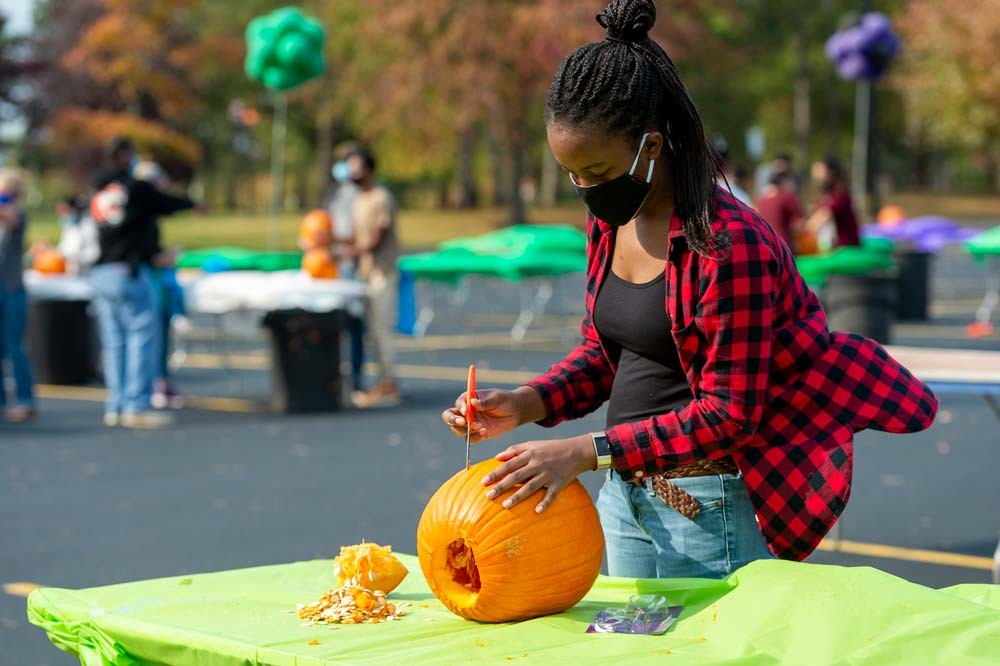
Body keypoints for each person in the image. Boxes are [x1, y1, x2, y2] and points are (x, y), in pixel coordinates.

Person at [441, 0, 937, 579]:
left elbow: (730, 414)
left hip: (708, 508)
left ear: (650, 147)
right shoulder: (608, 222)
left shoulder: (730, 245)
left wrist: (584, 451)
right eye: (571, 174)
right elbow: (607, 356)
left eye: (597, 172)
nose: (584, 189)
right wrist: (526, 403)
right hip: (623, 498)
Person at [89, 137, 196, 429]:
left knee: (114, 343)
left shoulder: (99, 190)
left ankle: (117, 403)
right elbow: (166, 202)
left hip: (102, 271)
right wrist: (193, 204)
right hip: (129, 270)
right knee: (142, 336)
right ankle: (136, 403)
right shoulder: (136, 188)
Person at [345, 146, 401, 408]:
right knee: (370, 333)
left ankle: (389, 383)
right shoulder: (358, 200)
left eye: (356, 166)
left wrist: (346, 251)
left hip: (382, 273)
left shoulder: (381, 198)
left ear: (368, 168)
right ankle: (382, 381)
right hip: (364, 274)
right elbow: (356, 237)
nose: (351, 172)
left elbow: (374, 240)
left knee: (381, 331)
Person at [132, 160, 187, 409]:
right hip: (146, 281)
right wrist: (165, 257)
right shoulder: (141, 215)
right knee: (148, 336)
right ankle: (151, 384)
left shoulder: (146, 215)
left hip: (150, 280)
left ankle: (157, 381)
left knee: (155, 334)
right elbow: (145, 252)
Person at [322, 142, 365, 392]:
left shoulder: (364, 195)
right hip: (333, 266)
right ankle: (334, 374)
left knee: (355, 324)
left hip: (354, 266)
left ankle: (356, 375)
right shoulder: (334, 193)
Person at [0, 169, 36, 422]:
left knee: (15, 346)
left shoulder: (16, 213)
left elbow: (10, 216)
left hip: (12, 288)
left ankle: (25, 399)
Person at [808, 156, 860, 248]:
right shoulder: (828, 197)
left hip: (846, 250)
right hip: (835, 248)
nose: (816, 177)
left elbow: (821, 218)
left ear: (831, 173)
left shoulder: (840, 196)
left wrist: (802, 231)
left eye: (820, 172)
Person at [755, 170, 804, 252]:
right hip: (783, 246)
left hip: (764, 247)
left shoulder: (761, 199)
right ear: (785, 181)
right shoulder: (787, 196)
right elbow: (799, 224)